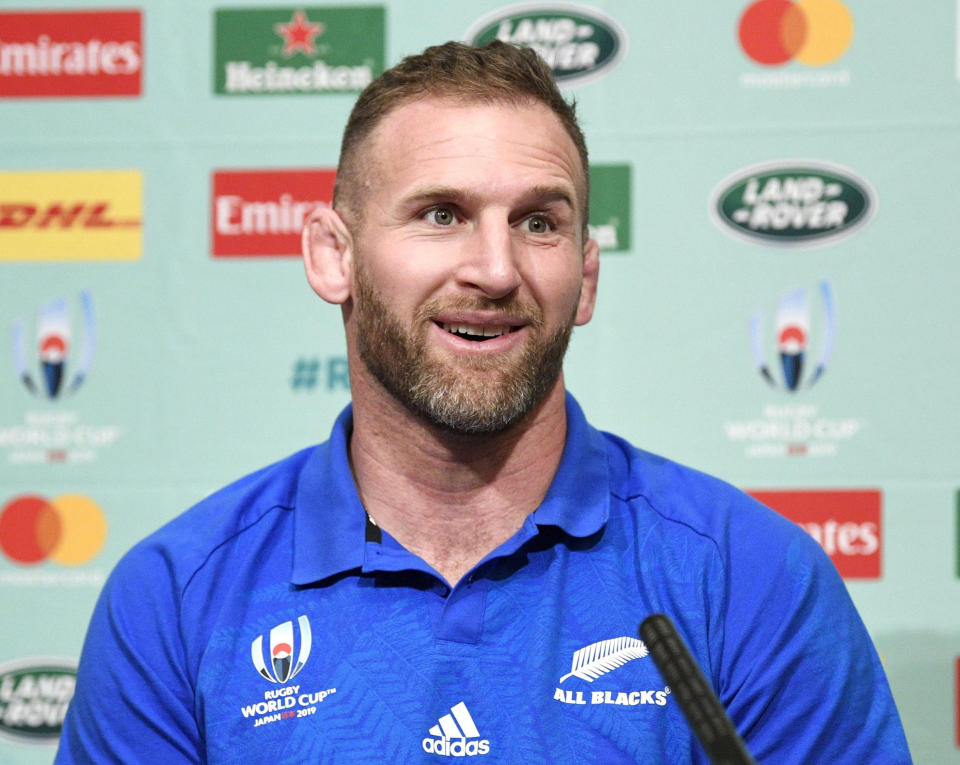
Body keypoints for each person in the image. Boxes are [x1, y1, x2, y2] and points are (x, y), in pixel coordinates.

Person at [56, 41, 911, 764]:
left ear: (584, 275)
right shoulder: (176, 599)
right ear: (332, 256)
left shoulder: (748, 578)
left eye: (539, 223)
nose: (496, 271)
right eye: (441, 214)